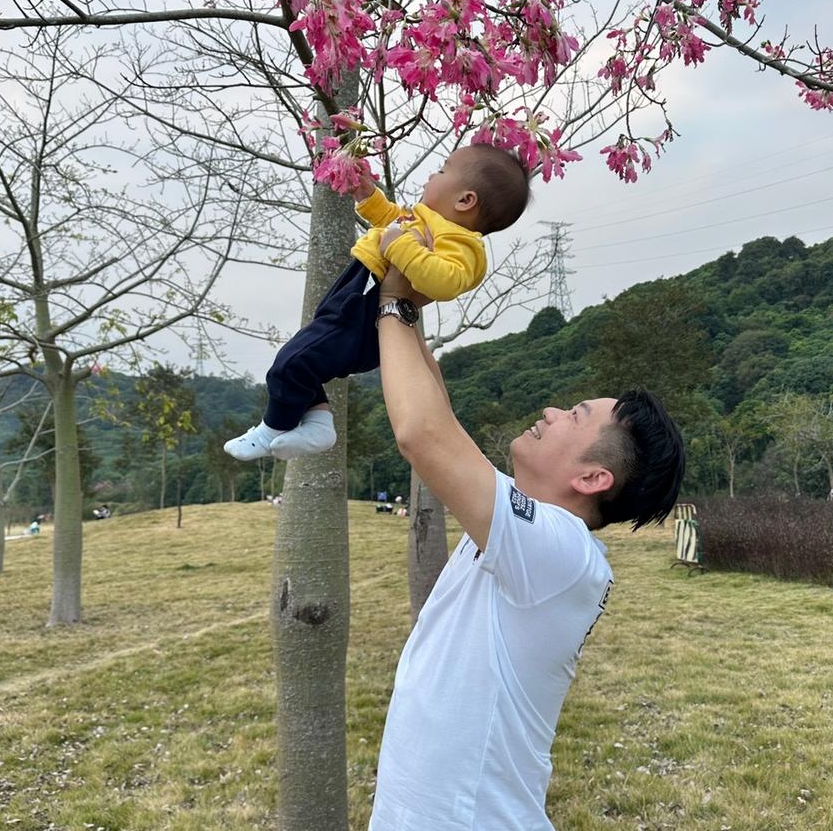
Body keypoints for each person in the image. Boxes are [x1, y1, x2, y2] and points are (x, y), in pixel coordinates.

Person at [369, 264, 686, 831]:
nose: (551, 412)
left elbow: (420, 432)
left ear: (592, 478)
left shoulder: (561, 551)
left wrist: (390, 303)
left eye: (575, 415)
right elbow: (438, 413)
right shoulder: (522, 523)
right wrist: (410, 297)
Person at [224, 143, 530, 462]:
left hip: (366, 307)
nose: (430, 175)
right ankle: (318, 423)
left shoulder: (462, 243)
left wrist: (399, 246)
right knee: (303, 360)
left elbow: (445, 280)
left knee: (290, 362)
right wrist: (368, 196)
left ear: (465, 200)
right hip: (356, 289)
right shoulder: (428, 219)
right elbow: (390, 219)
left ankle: (272, 429)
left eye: (441, 170)